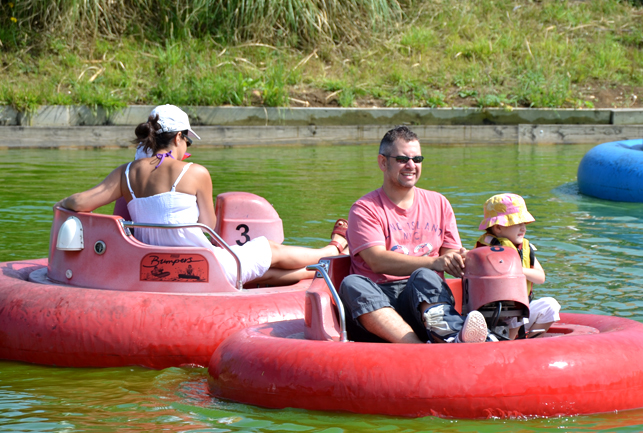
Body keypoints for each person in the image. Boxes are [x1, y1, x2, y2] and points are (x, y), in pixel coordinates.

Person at [56, 104, 348, 287]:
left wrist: (61, 205)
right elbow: (210, 229)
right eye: (188, 139)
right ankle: (332, 252)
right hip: (200, 263)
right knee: (269, 249)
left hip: (158, 267)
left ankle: (316, 271)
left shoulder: (125, 173)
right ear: (180, 137)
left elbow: (81, 202)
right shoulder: (194, 172)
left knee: (262, 274)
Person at [339, 125, 490, 344]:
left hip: (425, 298)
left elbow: (449, 256)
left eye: (417, 159)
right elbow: (377, 261)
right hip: (380, 299)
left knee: (424, 276)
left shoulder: (439, 203)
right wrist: (434, 262)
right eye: (402, 159)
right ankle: (417, 347)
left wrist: (459, 260)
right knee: (352, 284)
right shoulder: (365, 208)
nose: (411, 165)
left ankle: (450, 338)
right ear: (383, 162)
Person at [475, 194, 560, 339]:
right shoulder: (485, 250)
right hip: (494, 313)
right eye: (517, 223)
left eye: (524, 223)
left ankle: (532, 342)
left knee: (550, 305)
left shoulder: (525, 248)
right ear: (498, 228)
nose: (523, 228)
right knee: (514, 313)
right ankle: (508, 343)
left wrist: (517, 269)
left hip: (522, 309)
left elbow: (540, 278)